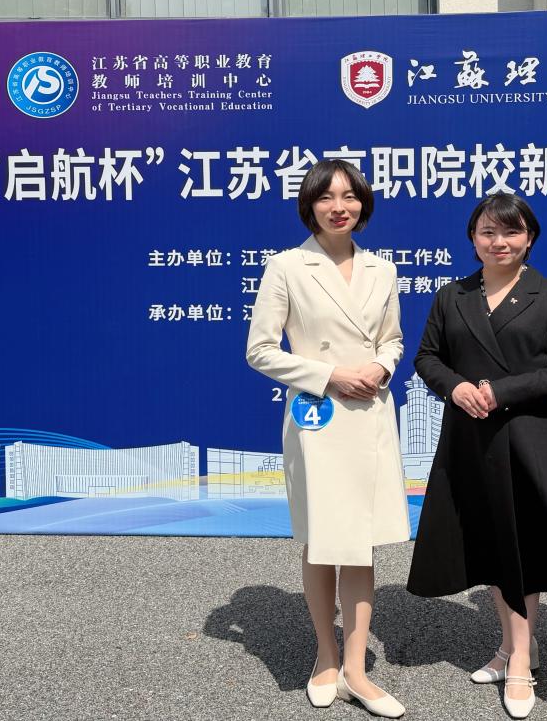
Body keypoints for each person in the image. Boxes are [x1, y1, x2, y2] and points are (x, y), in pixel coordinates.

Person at [407, 193, 547, 720]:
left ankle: (517, 661)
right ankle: (517, 645)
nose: (499, 242)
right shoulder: (452, 295)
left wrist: (501, 391)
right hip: (470, 438)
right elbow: (427, 357)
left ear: (529, 238)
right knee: (493, 543)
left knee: (523, 546)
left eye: (511, 232)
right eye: (488, 232)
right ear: (473, 239)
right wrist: (455, 387)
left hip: (529, 436)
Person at [245, 160, 410, 718]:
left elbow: (392, 339)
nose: (339, 207)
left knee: (360, 542)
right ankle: (325, 655)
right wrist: (330, 374)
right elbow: (260, 350)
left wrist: (381, 367)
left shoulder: (382, 269)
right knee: (321, 538)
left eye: (349, 196)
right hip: (318, 417)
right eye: (326, 197)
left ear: (363, 204)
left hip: (369, 411)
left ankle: (357, 670)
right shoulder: (287, 267)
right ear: (309, 205)